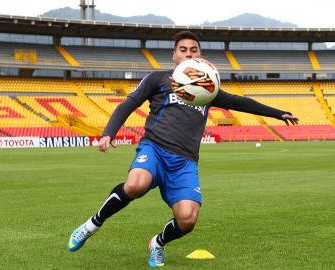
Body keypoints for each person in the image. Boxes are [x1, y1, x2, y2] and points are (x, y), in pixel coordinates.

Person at [66, 31, 299, 268]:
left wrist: (278, 113)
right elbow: (129, 103)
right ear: (174, 55)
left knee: (187, 219)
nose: (188, 53)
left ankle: (157, 243)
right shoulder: (157, 79)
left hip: (184, 162)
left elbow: (240, 102)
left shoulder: (207, 88)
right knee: (136, 184)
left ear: (200, 55)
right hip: (154, 148)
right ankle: (91, 226)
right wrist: (109, 132)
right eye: (183, 50)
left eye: (194, 50)